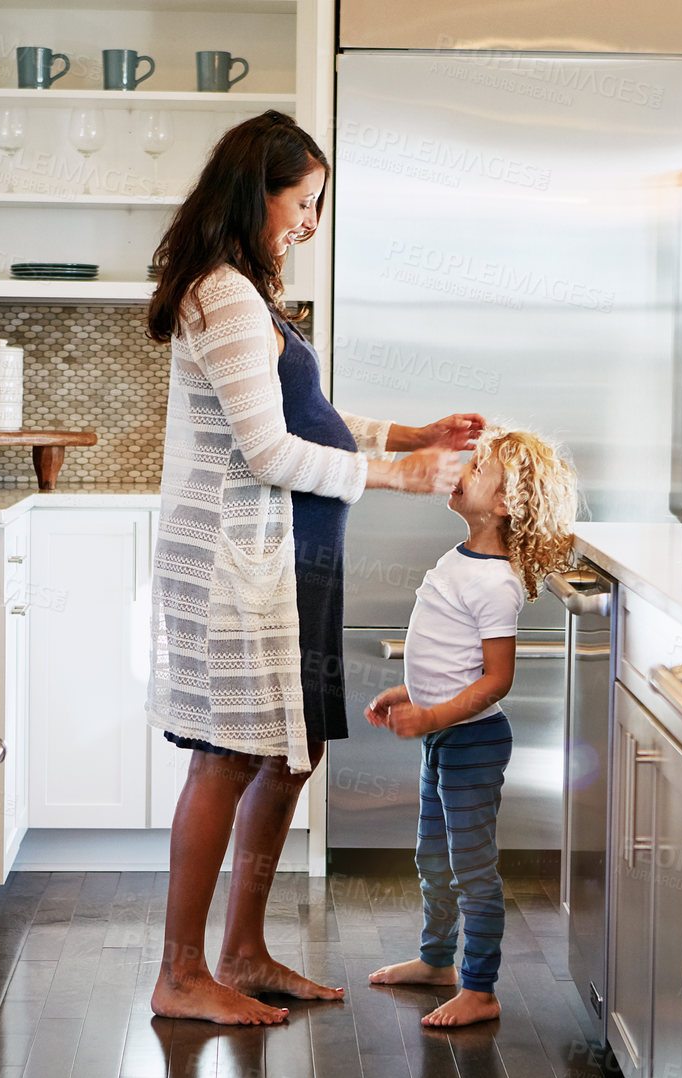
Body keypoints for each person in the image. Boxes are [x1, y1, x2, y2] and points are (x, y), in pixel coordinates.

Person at [145, 110, 485, 1026]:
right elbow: (267, 454)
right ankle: (181, 972)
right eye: (305, 200)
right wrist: (400, 473)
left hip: (292, 563)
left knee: (294, 754)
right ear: (258, 189)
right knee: (229, 756)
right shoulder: (220, 294)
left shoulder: (247, 291)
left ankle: (243, 951)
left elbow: (309, 418)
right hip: (238, 565)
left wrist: (404, 434)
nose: (310, 220)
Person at [364, 428, 578, 1027]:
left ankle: (480, 987)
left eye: (478, 465)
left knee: (471, 867)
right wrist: (411, 693)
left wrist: (432, 714)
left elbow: (494, 679)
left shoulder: (496, 583)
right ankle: (437, 962)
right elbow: (450, 659)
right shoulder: (459, 560)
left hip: (472, 742)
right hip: (444, 737)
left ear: (506, 504)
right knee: (433, 858)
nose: (462, 465)